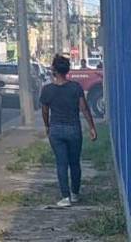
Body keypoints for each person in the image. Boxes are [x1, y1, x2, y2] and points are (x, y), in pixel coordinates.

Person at [40, 54, 98, 208]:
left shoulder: (47, 90)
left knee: (61, 163)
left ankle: (65, 197)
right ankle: (75, 193)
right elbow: (84, 109)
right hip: (74, 129)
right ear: (67, 70)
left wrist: (47, 126)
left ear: (53, 70)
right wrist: (92, 127)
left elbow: (45, 111)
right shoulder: (75, 87)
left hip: (56, 130)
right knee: (74, 163)